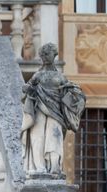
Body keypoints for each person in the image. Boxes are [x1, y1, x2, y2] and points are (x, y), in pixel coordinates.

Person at [21, 43, 85, 177]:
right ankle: (39, 166)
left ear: (54, 55)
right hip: (39, 108)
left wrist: (77, 97)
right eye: (42, 54)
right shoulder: (38, 75)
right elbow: (26, 91)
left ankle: (54, 166)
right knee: (37, 135)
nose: (44, 57)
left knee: (54, 136)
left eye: (47, 54)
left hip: (56, 113)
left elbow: (71, 92)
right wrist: (28, 90)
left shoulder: (60, 77)